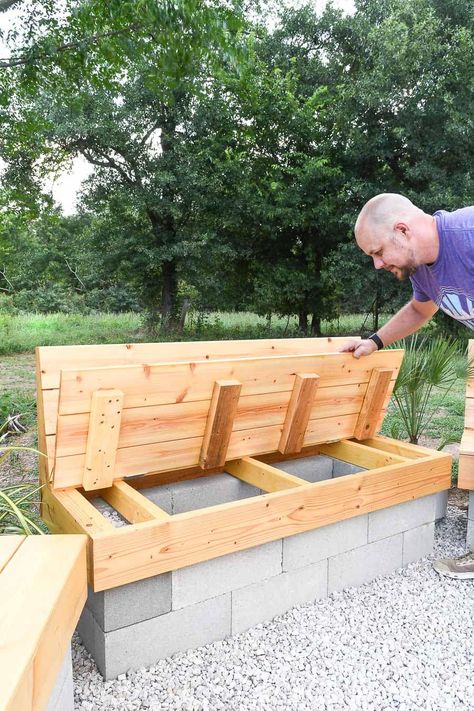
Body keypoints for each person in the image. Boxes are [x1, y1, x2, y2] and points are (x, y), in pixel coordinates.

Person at [341, 193, 474, 579]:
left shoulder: (468, 234)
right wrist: (375, 341)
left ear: (402, 230)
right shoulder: (423, 270)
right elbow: (420, 309)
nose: (378, 263)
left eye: (379, 251)